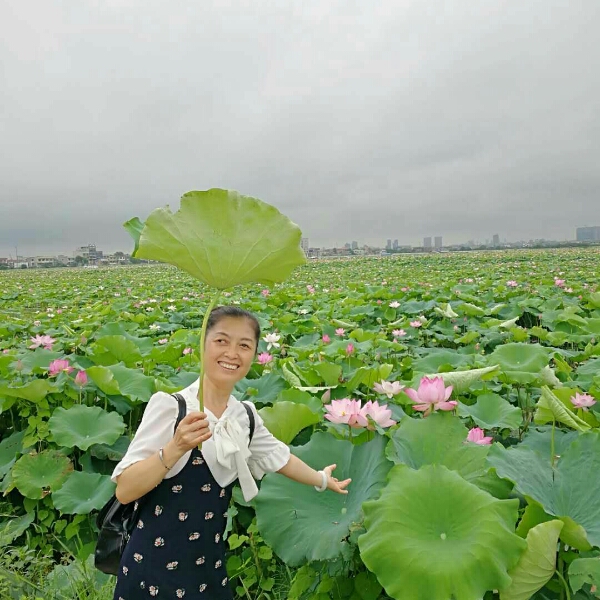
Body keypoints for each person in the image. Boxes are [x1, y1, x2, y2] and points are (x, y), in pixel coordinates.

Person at [111, 306, 351, 599]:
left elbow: (280, 457)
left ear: (254, 355)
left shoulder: (245, 417)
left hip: (207, 567)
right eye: (222, 341)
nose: (232, 353)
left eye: (244, 345)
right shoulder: (172, 408)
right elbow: (124, 490)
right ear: (203, 344)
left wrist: (322, 480)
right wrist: (175, 448)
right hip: (151, 569)